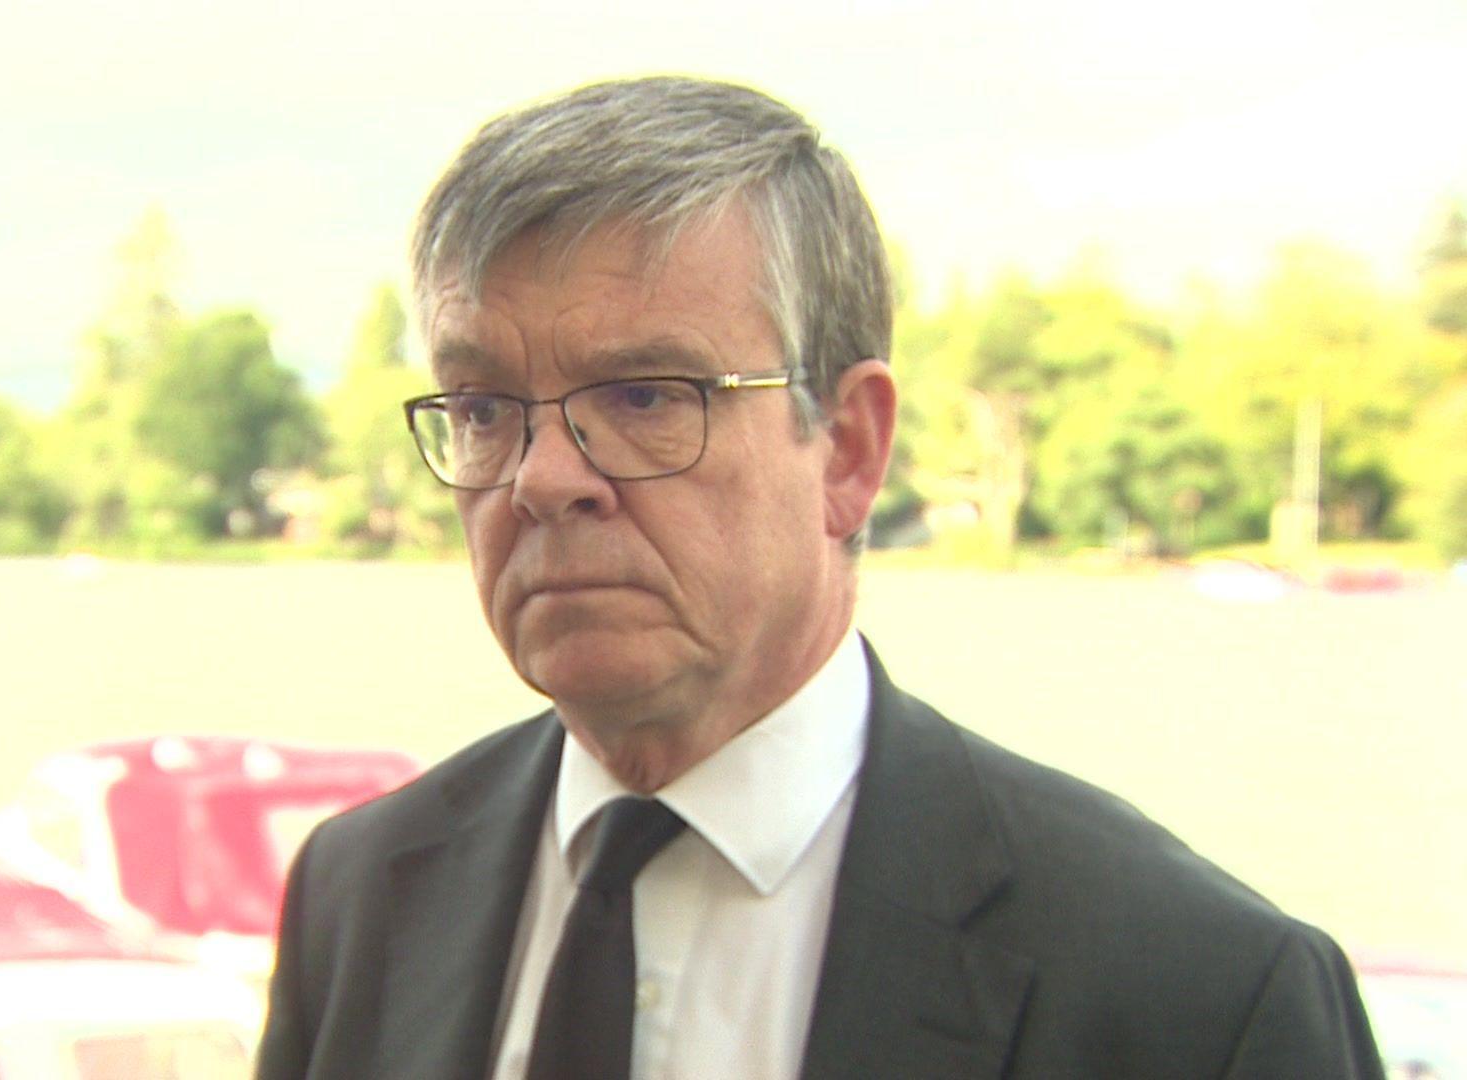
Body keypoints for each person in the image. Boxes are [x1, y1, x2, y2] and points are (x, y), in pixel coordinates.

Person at [256, 76, 1383, 1080]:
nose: (545, 479)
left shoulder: (1199, 998)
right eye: (486, 410)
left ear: (846, 448)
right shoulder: (359, 900)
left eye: (647, 396)